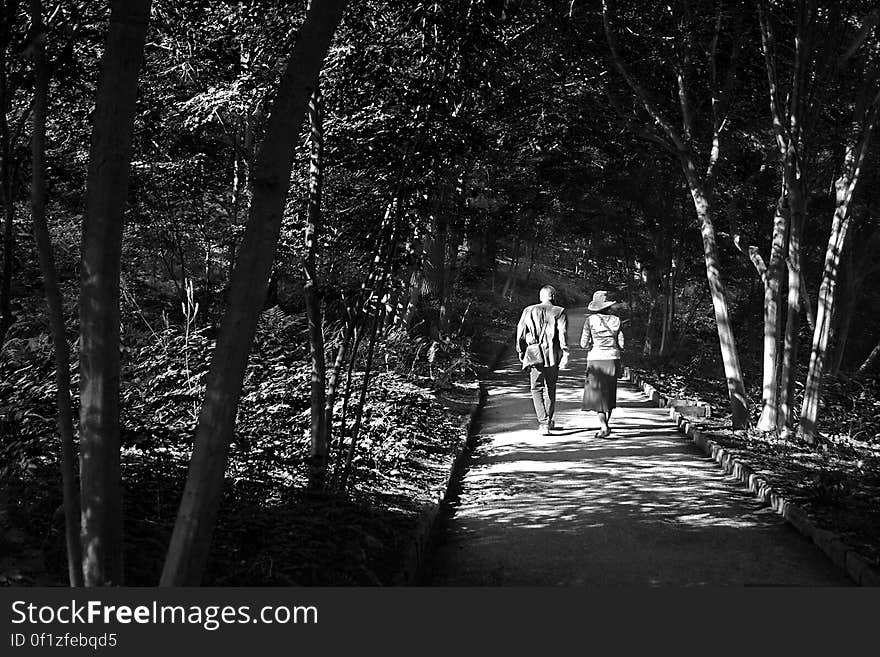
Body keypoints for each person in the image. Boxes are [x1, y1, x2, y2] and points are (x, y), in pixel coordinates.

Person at [516, 285, 570, 435]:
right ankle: (548, 421)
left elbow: (520, 333)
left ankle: (543, 422)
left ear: (541, 297)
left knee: (536, 388)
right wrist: (565, 353)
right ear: (553, 296)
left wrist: (521, 351)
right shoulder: (559, 311)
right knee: (551, 386)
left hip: (534, 355)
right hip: (552, 355)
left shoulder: (528, 310)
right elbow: (562, 335)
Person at [580, 290, 625, 438]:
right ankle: (607, 424)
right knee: (609, 393)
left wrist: (593, 343)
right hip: (613, 358)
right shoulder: (616, 321)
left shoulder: (590, 321)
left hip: (596, 359)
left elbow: (583, 344)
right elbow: (622, 344)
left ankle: (603, 425)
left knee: (597, 394)